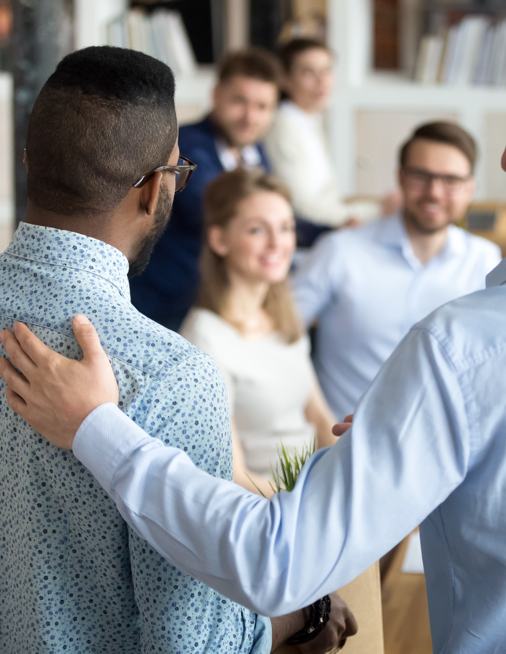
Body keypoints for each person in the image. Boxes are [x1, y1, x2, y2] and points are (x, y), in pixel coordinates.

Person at [0, 46, 356, 653]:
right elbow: (194, 641)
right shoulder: (170, 375)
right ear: (154, 191)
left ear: (32, 161)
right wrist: (305, 619)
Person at [293, 121, 501, 421]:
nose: (434, 192)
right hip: (345, 442)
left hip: (448, 446)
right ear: (400, 178)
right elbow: (279, 337)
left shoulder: (485, 260)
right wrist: (319, 421)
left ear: (470, 188)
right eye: (422, 176)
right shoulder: (340, 251)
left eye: (451, 180)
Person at [179, 169, 336, 496]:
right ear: (219, 240)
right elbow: (234, 477)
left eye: (286, 228)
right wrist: (312, 504)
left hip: (314, 489)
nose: (277, 243)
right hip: (270, 511)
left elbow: (319, 418)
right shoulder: (205, 339)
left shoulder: (284, 315)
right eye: (256, 230)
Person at [130, 48, 281, 331]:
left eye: (262, 107)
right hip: (166, 306)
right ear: (216, 95)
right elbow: (219, 211)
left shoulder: (255, 151)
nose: (250, 117)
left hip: (215, 302)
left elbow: (266, 211)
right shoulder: (185, 146)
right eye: (240, 101)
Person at [264, 38, 399, 246]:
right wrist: (378, 210)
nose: (322, 81)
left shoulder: (308, 119)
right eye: (309, 72)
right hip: (305, 239)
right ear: (285, 80)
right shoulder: (284, 126)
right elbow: (302, 208)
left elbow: (328, 197)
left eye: (327, 70)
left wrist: (378, 204)